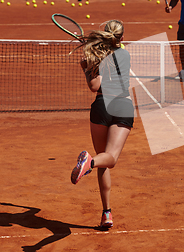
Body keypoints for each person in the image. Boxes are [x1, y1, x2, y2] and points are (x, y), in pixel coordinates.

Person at [70, 20, 134, 230]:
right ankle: (89, 163)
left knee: (102, 160)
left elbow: (93, 86)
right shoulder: (124, 54)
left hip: (101, 107)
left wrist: (87, 67)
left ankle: (107, 212)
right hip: (122, 106)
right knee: (109, 159)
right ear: (122, 38)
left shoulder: (97, 56)